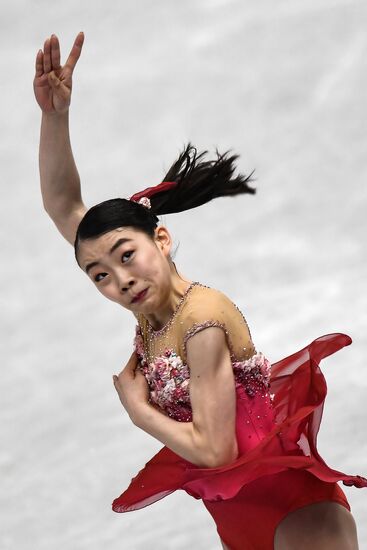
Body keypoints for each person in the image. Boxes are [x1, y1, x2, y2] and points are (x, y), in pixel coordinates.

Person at [33, 33, 365, 549]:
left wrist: (139, 411)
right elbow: (62, 205)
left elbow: (214, 451)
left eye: (126, 256)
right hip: (237, 518)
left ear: (160, 239)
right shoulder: (155, 307)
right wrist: (55, 117)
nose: (120, 280)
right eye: (99, 274)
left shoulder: (201, 320)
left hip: (295, 514)